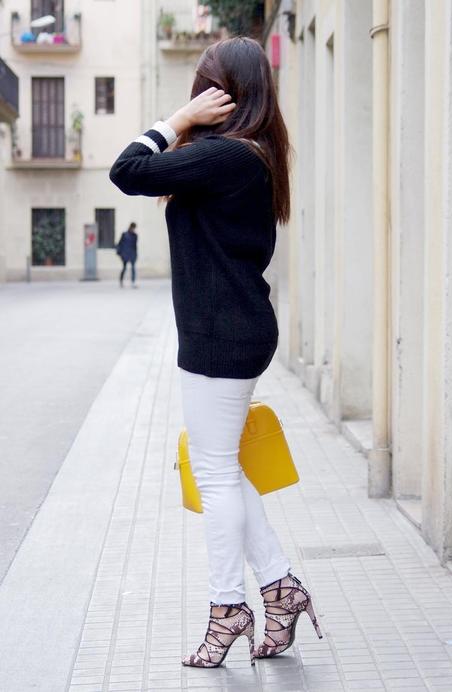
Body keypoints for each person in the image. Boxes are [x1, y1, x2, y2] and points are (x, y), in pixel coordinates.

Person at [109, 36, 322, 668]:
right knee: (220, 467)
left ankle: (229, 604)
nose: (197, 98)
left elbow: (127, 170)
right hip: (229, 327)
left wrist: (176, 122)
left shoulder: (229, 156)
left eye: (206, 87)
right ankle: (279, 589)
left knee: (216, 471)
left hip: (223, 332)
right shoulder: (247, 156)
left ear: (226, 95)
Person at [116, 222, 138, 288]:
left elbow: (135, 246)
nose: (133, 229)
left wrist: (136, 254)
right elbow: (120, 243)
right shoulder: (124, 234)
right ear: (130, 227)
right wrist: (120, 253)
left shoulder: (135, 235)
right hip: (125, 254)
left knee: (133, 268)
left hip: (132, 254)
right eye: (133, 228)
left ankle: (133, 282)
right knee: (124, 268)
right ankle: (121, 281)